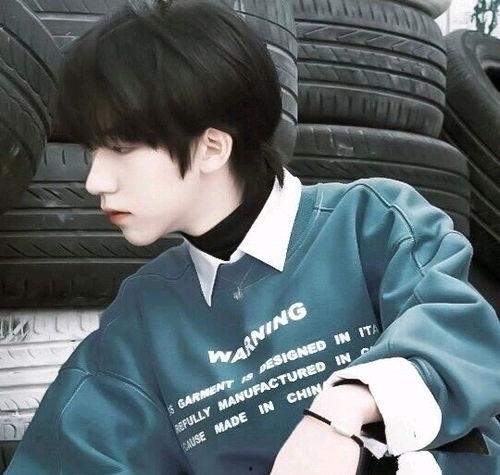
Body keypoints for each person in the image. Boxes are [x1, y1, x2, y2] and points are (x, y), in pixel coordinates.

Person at [5, 0, 500, 474]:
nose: (94, 181)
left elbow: (461, 340)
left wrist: (341, 410)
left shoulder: (372, 223)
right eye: (92, 150)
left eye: (120, 148)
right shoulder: (141, 319)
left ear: (212, 147)